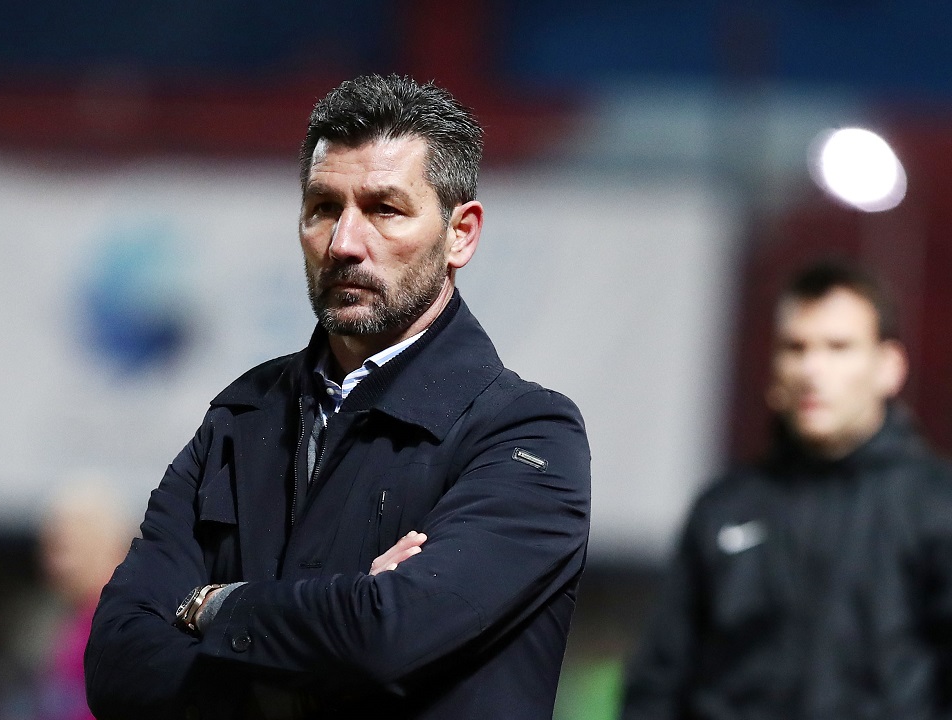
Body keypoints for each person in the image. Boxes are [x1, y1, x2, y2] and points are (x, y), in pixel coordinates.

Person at [85, 74, 591, 720]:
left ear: (461, 234)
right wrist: (334, 627)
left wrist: (210, 605)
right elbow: (116, 662)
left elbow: (386, 636)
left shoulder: (529, 436)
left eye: (385, 210)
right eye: (324, 207)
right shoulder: (241, 418)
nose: (344, 243)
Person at [621, 260, 952, 719]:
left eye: (838, 347)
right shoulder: (725, 508)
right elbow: (657, 683)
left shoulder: (936, 506)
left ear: (889, 367)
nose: (812, 369)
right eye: (796, 348)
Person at [37, 476, 131, 720]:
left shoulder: (124, 625)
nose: (55, 563)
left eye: (66, 547)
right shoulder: (76, 623)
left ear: (112, 545)